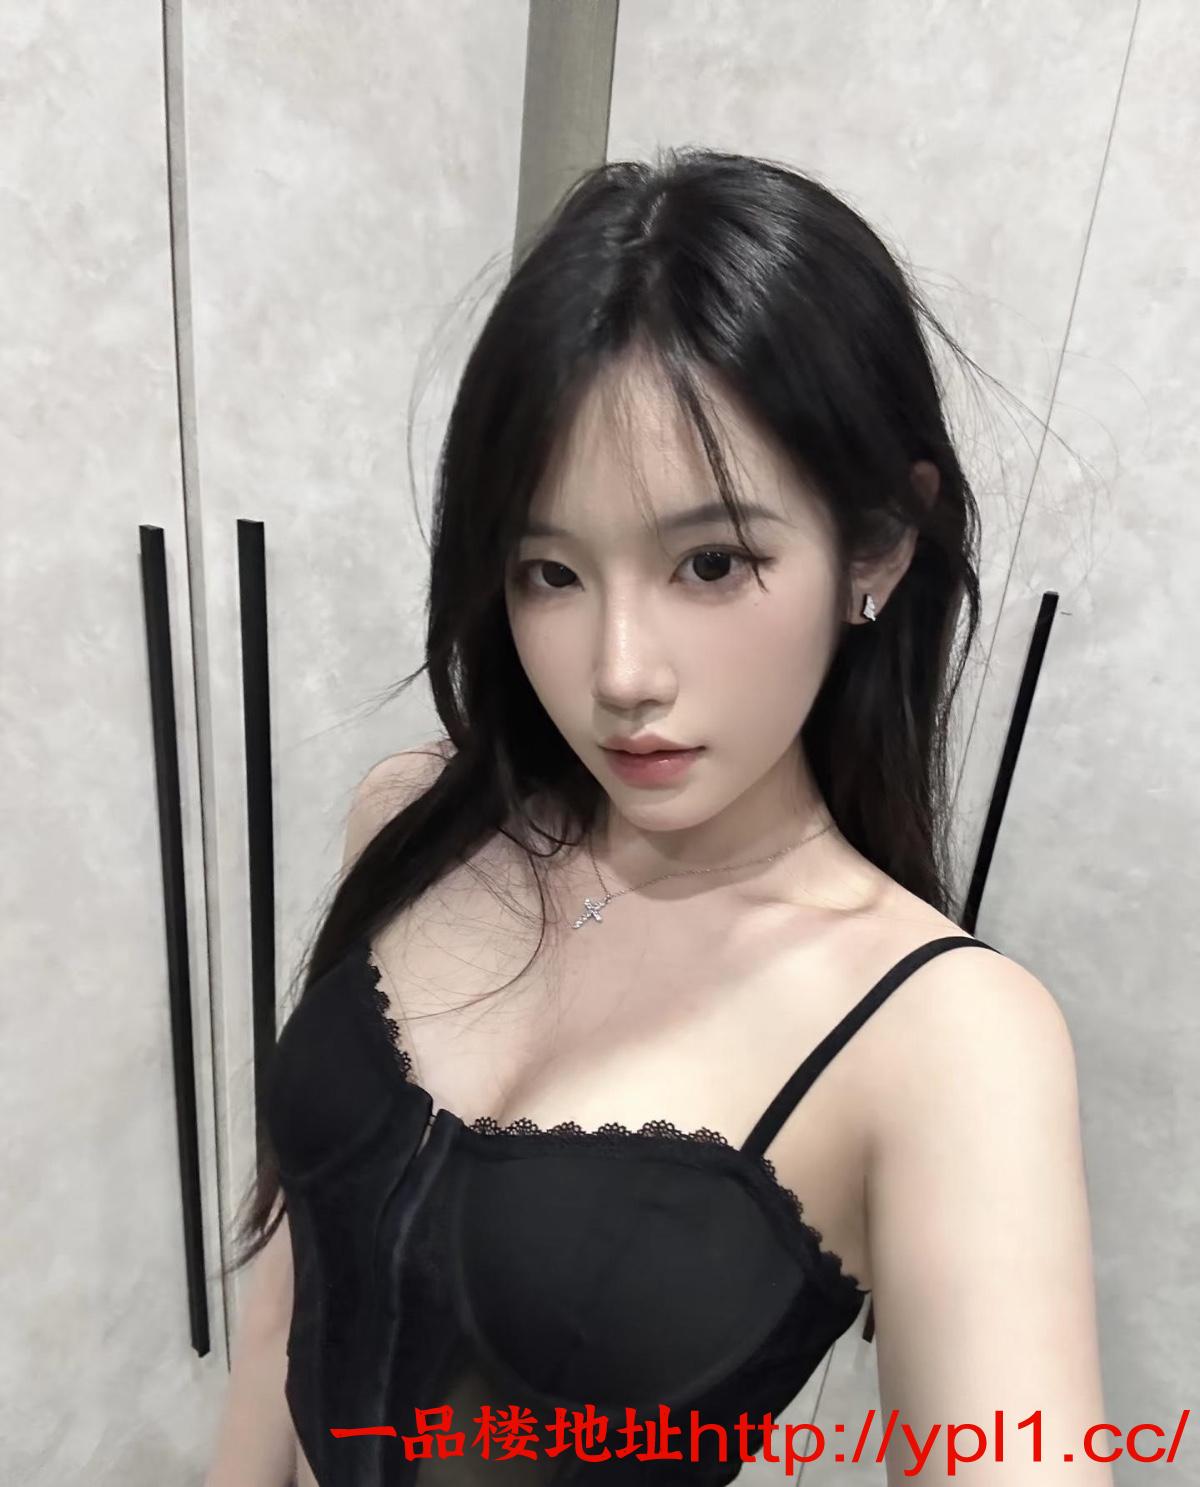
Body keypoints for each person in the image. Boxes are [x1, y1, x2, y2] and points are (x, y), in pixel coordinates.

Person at [204, 147, 1111, 1485]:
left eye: (712, 561)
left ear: (876, 544)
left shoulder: (946, 1040)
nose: (621, 673)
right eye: (550, 571)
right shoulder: (413, 820)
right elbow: (302, 1269)